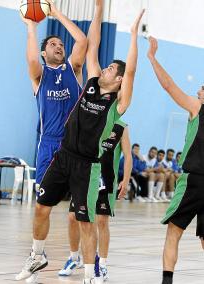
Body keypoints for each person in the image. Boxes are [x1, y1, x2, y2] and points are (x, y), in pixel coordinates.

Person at [16, 1, 144, 283]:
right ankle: (38, 255)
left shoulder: (117, 103)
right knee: (41, 207)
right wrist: (98, 11)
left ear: (120, 80)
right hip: (60, 153)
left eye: (112, 68)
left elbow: (126, 68)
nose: (106, 68)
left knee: (84, 221)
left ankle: (88, 274)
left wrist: (134, 36)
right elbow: (93, 45)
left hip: (87, 165)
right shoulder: (91, 82)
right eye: (107, 66)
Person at [147, 36, 204, 284]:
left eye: (201, 88)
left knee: (174, 232)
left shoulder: (198, 108)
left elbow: (169, 86)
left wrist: (152, 57)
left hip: (194, 180)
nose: (197, 90)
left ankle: (167, 282)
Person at [20, 0, 87, 200]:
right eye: (52, 44)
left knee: (78, 210)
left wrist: (55, 12)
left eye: (61, 44)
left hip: (74, 144)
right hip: (49, 144)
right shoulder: (40, 75)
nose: (58, 46)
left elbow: (82, 41)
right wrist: (31, 27)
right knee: (43, 205)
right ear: (44, 52)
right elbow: (32, 61)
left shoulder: (73, 69)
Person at [59, 120, 132, 281]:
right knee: (72, 217)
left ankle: (103, 264)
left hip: (106, 181)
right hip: (85, 178)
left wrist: (125, 180)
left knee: (101, 221)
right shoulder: (93, 118)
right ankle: (74, 258)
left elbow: (127, 155)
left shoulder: (121, 127)